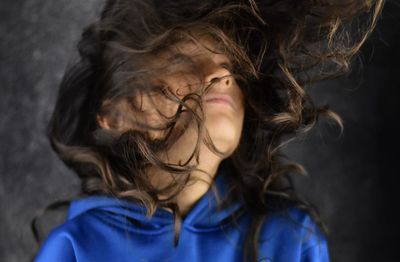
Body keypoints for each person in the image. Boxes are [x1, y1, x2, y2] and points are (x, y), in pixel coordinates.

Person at [32, 0, 384, 261]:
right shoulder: (74, 247)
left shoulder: (290, 241)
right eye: (183, 60)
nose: (223, 76)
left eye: (230, 66)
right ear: (115, 115)